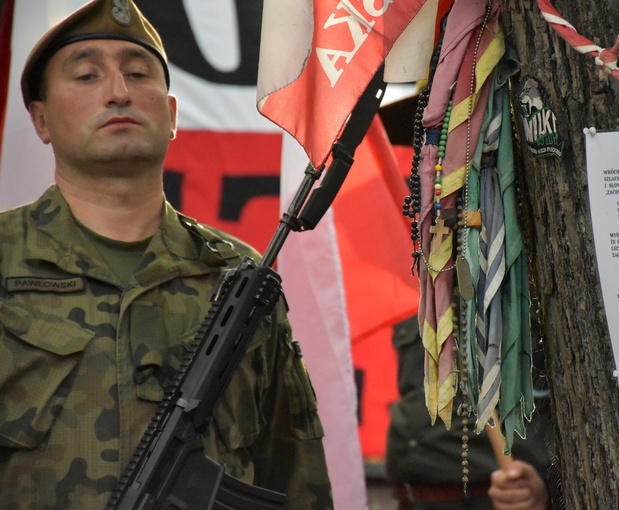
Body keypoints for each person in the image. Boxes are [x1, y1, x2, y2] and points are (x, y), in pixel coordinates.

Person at [0, 1, 332, 508]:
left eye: (137, 74)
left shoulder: (237, 278)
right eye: (87, 76)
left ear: (172, 115)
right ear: (41, 120)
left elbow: (293, 474)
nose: (118, 92)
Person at [386, 316, 558, 509]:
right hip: (413, 497)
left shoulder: (530, 293)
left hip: (500, 495)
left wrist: (548, 489)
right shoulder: (409, 296)